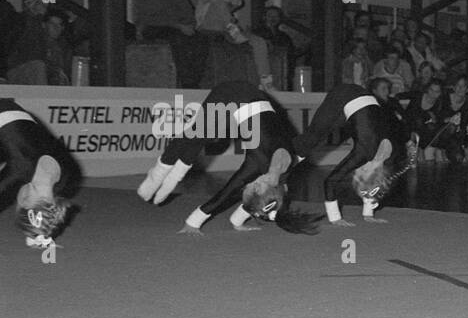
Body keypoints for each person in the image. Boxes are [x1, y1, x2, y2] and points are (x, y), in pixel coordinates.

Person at [141, 81, 317, 235]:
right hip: (233, 92)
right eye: (248, 190)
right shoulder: (280, 164)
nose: (245, 186)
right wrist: (274, 172)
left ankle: (171, 178)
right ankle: (158, 172)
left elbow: (228, 191)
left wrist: (230, 222)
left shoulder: (265, 178)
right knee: (192, 137)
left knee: (203, 139)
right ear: (259, 186)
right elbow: (280, 156)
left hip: (250, 102)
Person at [295, 82, 413, 225]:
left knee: (342, 130)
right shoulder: (364, 153)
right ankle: (294, 157)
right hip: (343, 94)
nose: (356, 169)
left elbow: (375, 183)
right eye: (360, 173)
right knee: (314, 137)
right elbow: (330, 181)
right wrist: (335, 218)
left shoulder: (392, 157)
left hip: (366, 101)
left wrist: (368, 215)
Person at [0, 98, 80, 248]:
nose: (14, 199)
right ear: (24, 200)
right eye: (18, 204)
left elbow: (45, 211)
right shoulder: (20, 171)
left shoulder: (71, 179)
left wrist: (41, 230)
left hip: (16, 117)